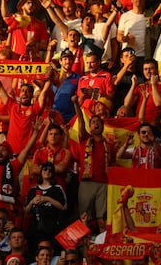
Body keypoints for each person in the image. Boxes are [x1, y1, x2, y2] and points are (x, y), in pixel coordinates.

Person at [72, 96, 114, 233]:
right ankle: (84, 247)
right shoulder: (85, 139)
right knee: (84, 217)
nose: (96, 124)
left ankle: (102, 244)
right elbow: (80, 121)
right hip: (87, 182)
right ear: (90, 127)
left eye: (98, 122)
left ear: (102, 127)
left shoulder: (108, 145)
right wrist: (76, 105)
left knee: (102, 219)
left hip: (103, 183)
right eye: (93, 122)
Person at [25, 162, 66, 254]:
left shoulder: (57, 189)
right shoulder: (33, 190)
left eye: (50, 170)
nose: (47, 171)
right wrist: (32, 202)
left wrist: (47, 199)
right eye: (45, 169)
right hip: (35, 229)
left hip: (52, 229)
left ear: (53, 173)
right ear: (41, 171)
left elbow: (63, 207)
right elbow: (26, 211)